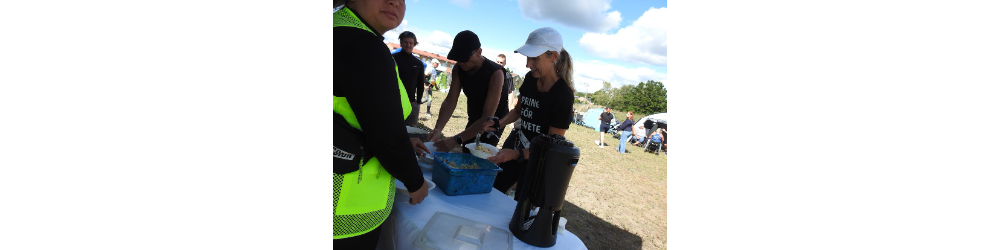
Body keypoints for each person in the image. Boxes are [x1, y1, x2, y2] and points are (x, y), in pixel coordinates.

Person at [332, 0, 430, 247]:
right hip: (346, 205)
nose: (394, 2)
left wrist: (403, 138)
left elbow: (358, 115)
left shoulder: (340, 29)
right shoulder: (362, 43)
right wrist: (416, 182)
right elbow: (387, 137)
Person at [479, 27, 576, 195]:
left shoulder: (563, 95)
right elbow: (519, 110)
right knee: (493, 188)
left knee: (522, 203)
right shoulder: (531, 78)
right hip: (516, 142)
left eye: (534, 59)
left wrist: (517, 154)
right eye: (528, 58)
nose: (528, 64)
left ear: (553, 56)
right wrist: (499, 123)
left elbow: (552, 144)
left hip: (537, 159)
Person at [428, 30, 509, 151]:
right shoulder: (459, 68)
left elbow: (488, 116)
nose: (461, 62)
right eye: (458, 58)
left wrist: (456, 139)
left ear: (478, 52)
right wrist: (438, 129)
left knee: (479, 153)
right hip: (475, 116)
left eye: (465, 58)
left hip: (493, 122)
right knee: (466, 149)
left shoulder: (495, 73)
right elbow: (451, 100)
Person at [392, 31, 426, 126]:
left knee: (409, 130)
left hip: (411, 103)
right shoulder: (392, 59)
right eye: (405, 42)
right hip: (393, 100)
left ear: (414, 44)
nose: (408, 45)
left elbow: (420, 84)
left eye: (411, 43)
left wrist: (418, 102)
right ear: (401, 43)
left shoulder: (418, 64)